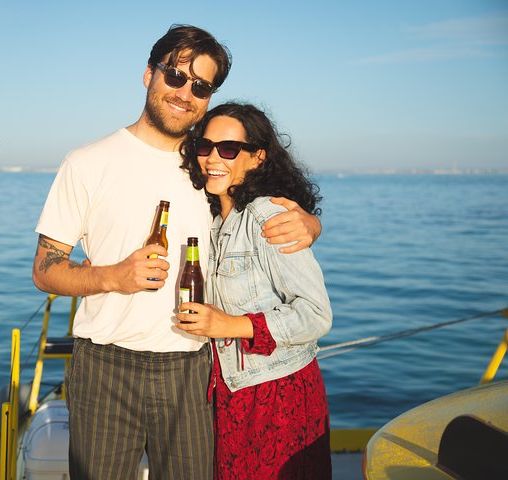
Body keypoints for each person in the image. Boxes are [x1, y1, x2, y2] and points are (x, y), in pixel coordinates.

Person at [32, 25, 322, 479]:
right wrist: (112, 276)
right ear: (149, 74)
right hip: (105, 364)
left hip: (193, 366)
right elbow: (45, 270)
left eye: (201, 86)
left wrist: (311, 224)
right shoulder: (86, 163)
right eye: (175, 76)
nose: (186, 93)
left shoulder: (210, 163)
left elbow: (261, 214)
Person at [175, 102, 333, 479]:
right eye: (205, 146)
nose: (213, 157)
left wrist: (230, 325)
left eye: (229, 149)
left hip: (277, 398)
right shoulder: (213, 218)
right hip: (231, 396)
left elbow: (316, 315)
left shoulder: (268, 217)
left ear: (257, 157)